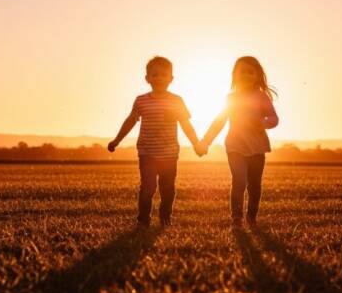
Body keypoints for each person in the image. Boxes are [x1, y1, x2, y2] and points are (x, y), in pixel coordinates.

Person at [108, 56, 204, 227]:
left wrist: (196, 143)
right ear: (147, 79)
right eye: (154, 75)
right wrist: (116, 140)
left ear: (171, 79)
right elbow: (130, 121)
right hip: (147, 153)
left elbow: (186, 124)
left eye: (164, 75)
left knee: (168, 190)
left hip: (169, 154)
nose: (159, 78)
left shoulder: (176, 101)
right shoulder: (141, 101)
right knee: (148, 187)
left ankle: (165, 217)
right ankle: (143, 220)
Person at [197, 56, 278, 228]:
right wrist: (205, 141)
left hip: (257, 148)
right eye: (242, 71)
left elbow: (274, 119)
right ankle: (237, 218)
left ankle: (251, 218)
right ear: (234, 74)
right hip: (235, 147)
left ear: (257, 76)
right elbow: (219, 122)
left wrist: (261, 123)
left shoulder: (262, 97)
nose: (246, 75)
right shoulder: (231, 98)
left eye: (251, 72)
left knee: (255, 186)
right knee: (239, 181)